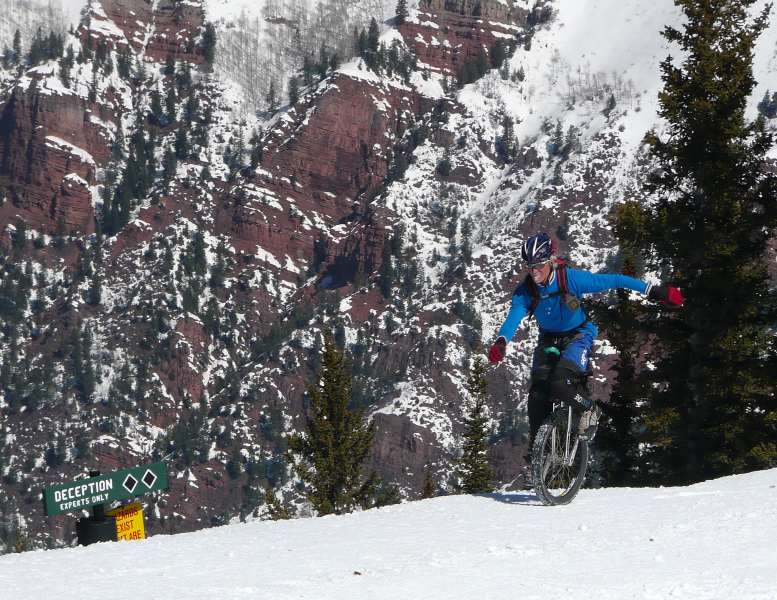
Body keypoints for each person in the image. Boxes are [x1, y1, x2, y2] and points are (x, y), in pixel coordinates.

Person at [488, 233, 683, 471]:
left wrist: (654, 291)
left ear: (551, 261)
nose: (534, 271)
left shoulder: (571, 279)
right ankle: (542, 457)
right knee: (537, 395)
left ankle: (589, 409)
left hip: (578, 335)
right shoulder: (525, 291)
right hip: (548, 339)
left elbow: (616, 280)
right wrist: (501, 341)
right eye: (529, 266)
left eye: (539, 264)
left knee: (560, 383)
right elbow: (513, 318)